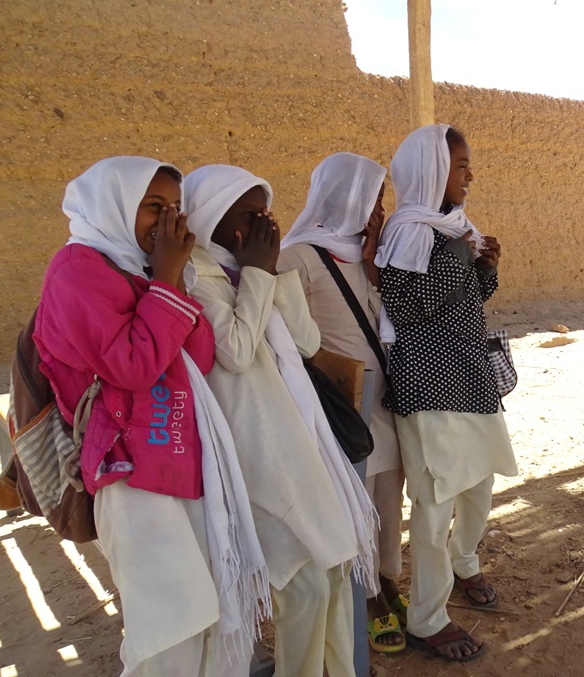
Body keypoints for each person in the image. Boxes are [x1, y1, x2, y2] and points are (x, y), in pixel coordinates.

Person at [34, 156, 268, 677]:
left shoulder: (140, 270)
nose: (168, 222)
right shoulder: (77, 271)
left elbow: (198, 358)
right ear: (115, 205)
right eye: (153, 207)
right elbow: (134, 367)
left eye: (176, 209)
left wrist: (171, 280)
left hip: (179, 462)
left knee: (209, 617)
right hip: (131, 475)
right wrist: (165, 279)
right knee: (170, 632)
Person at [183, 164, 377, 677]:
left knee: (334, 571)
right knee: (304, 586)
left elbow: (307, 343)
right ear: (209, 219)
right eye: (249, 215)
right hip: (249, 451)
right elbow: (237, 351)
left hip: (292, 442)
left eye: (266, 214)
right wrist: (257, 273)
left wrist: (267, 274)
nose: (263, 227)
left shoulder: (248, 269)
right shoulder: (193, 277)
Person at [374, 124, 518, 663]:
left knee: (479, 488)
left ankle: (465, 562)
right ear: (432, 169)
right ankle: (427, 619)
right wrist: (460, 256)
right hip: (428, 386)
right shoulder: (408, 231)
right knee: (434, 508)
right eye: (461, 165)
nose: (470, 175)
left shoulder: (454, 229)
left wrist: (485, 268)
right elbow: (407, 307)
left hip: (470, 377)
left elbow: (465, 300)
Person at [278, 153, 409, 656]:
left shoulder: (366, 255)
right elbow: (289, 335)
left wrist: (375, 264)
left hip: (383, 398)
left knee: (387, 496)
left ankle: (386, 578)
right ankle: (369, 600)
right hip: (341, 404)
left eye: (381, 198)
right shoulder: (300, 256)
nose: (379, 208)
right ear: (345, 200)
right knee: (355, 503)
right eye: (372, 198)